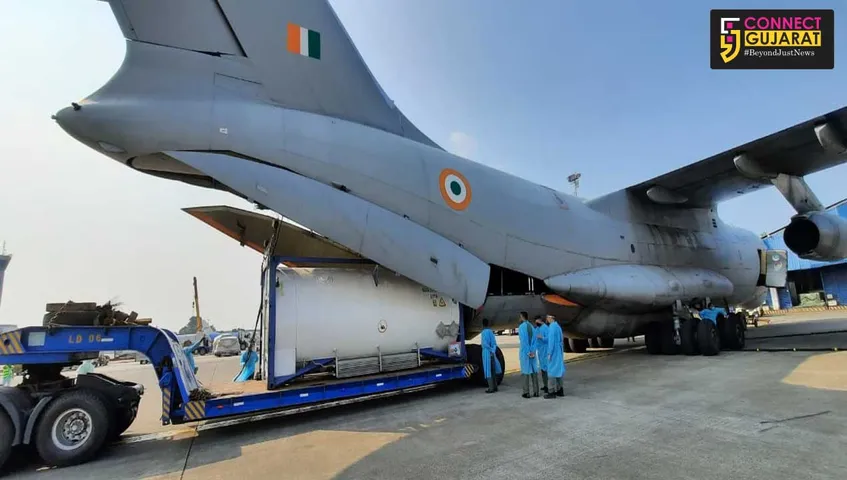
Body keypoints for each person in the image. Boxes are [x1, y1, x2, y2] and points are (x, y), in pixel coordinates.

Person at [517, 311, 539, 398]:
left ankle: (526, 392)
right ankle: (536, 392)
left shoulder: (521, 327)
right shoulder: (532, 327)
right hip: (533, 353)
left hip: (526, 353)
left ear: (522, 317)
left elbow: (523, 341)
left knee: (525, 372)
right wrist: (532, 351)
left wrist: (528, 352)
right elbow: (534, 341)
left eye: (520, 317)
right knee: (534, 371)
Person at [544, 314, 566, 399]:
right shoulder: (558, 326)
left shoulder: (552, 327)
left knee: (551, 372)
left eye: (547, 318)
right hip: (559, 351)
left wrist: (549, 353)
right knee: (559, 371)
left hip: (554, 352)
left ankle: (551, 391)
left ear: (550, 318)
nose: (546, 319)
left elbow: (551, 342)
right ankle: (560, 390)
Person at [480, 318, 502, 393]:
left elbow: (484, 344)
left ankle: (491, 388)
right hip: (492, 353)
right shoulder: (491, 332)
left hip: (486, 353)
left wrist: (489, 349)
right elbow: (494, 343)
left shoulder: (483, 332)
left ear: (482, 324)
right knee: (493, 370)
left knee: (488, 370)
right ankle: (495, 387)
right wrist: (492, 350)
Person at [534, 315, 549, 394]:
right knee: (543, 369)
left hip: (545, 350)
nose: (536, 323)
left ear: (541, 321)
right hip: (540, 351)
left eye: (537, 321)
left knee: (546, 369)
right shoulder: (537, 328)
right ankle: (545, 385)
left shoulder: (546, 328)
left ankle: (548, 386)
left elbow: (549, 338)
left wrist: (542, 337)